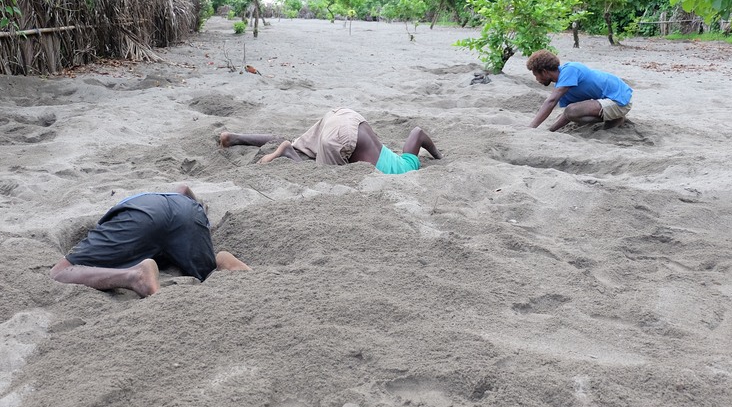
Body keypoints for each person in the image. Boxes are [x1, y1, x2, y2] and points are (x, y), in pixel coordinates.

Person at [49, 184, 250, 298]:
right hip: (188, 211)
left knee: (59, 272)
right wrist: (200, 214)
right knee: (207, 272)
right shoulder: (173, 195)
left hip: (139, 217)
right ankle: (220, 262)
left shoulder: (125, 211)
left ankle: (133, 275)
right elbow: (184, 188)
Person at [219, 107, 442, 175]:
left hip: (346, 117)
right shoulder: (408, 169)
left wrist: (437, 154)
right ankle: (286, 152)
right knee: (321, 176)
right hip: (344, 140)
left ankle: (235, 138)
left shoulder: (400, 160)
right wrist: (440, 161)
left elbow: (418, 132)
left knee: (299, 146)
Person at [526, 49, 634, 132]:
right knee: (573, 114)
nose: (537, 79)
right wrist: (550, 130)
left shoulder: (570, 70)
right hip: (611, 100)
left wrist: (531, 127)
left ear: (544, 72)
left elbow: (551, 101)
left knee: (571, 110)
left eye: (536, 75)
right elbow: (567, 116)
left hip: (619, 100)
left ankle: (616, 118)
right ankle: (614, 118)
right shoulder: (563, 87)